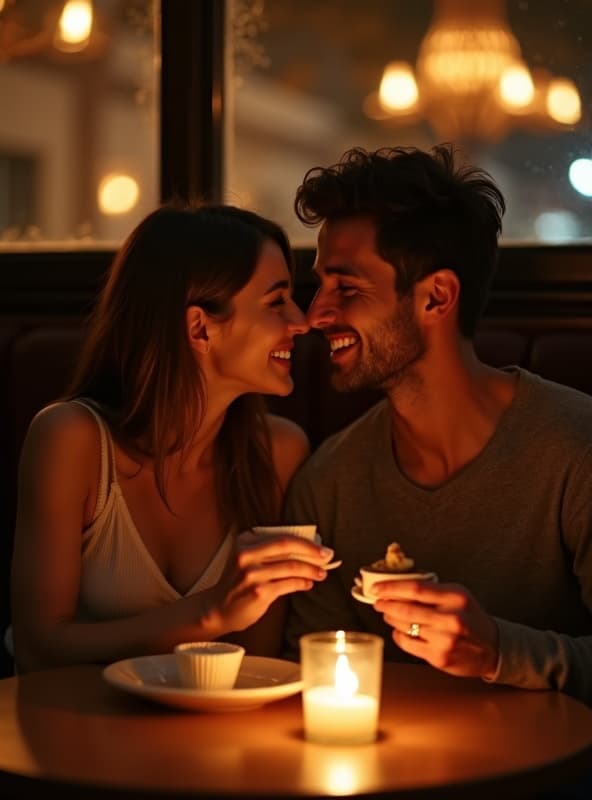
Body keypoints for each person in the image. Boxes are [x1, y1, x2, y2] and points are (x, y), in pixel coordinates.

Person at [283, 144, 592, 705]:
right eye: (320, 286)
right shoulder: (326, 482)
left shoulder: (576, 449)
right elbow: (308, 671)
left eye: (346, 288)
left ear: (438, 297)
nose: (315, 315)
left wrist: (498, 651)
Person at [11, 203, 335, 672]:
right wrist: (210, 613)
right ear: (200, 328)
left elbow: (259, 665)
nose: (301, 321)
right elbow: (38, 649)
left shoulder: (278, 453)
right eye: (275, 302)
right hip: (71, 726)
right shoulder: (72, 440)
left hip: (209, 735)